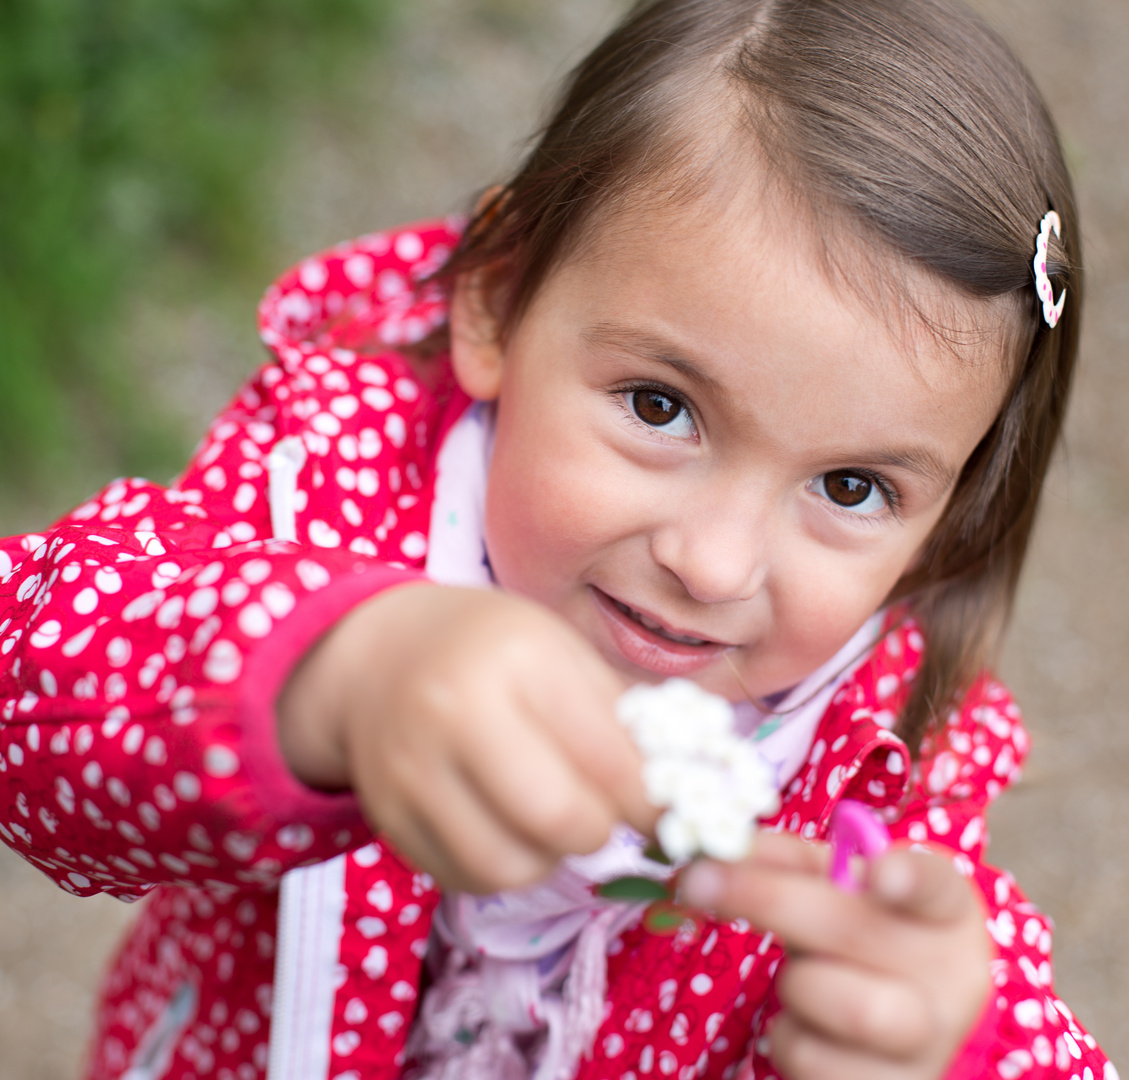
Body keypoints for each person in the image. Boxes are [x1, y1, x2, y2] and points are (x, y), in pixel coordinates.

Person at [0, 0, 1112, 1077]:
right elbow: (36, 680)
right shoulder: (331, 485)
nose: (711, 563)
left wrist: (944, 1044)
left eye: (852, 485)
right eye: (659, 406)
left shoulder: (886, 773)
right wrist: (335, 674)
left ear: (949, 513)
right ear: (494, 295)